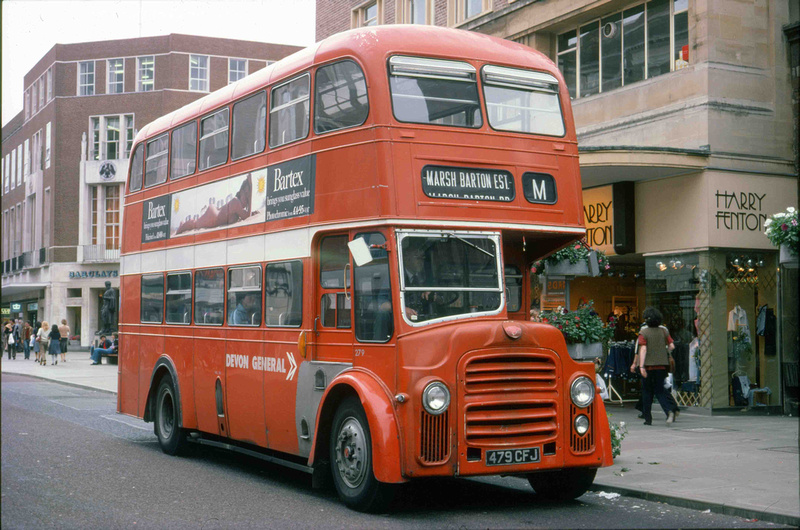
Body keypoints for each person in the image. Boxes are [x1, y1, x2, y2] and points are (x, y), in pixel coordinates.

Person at [636, 307, 679, 425]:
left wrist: (641, 366)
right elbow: (672, 346)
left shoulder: (643, 332)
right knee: (660, 390)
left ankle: (648, 418)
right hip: (662, 365)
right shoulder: (663, 331)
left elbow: (643, 349)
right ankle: (669, 410)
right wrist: (664, 351)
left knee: (646, 391)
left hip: (648, 366)